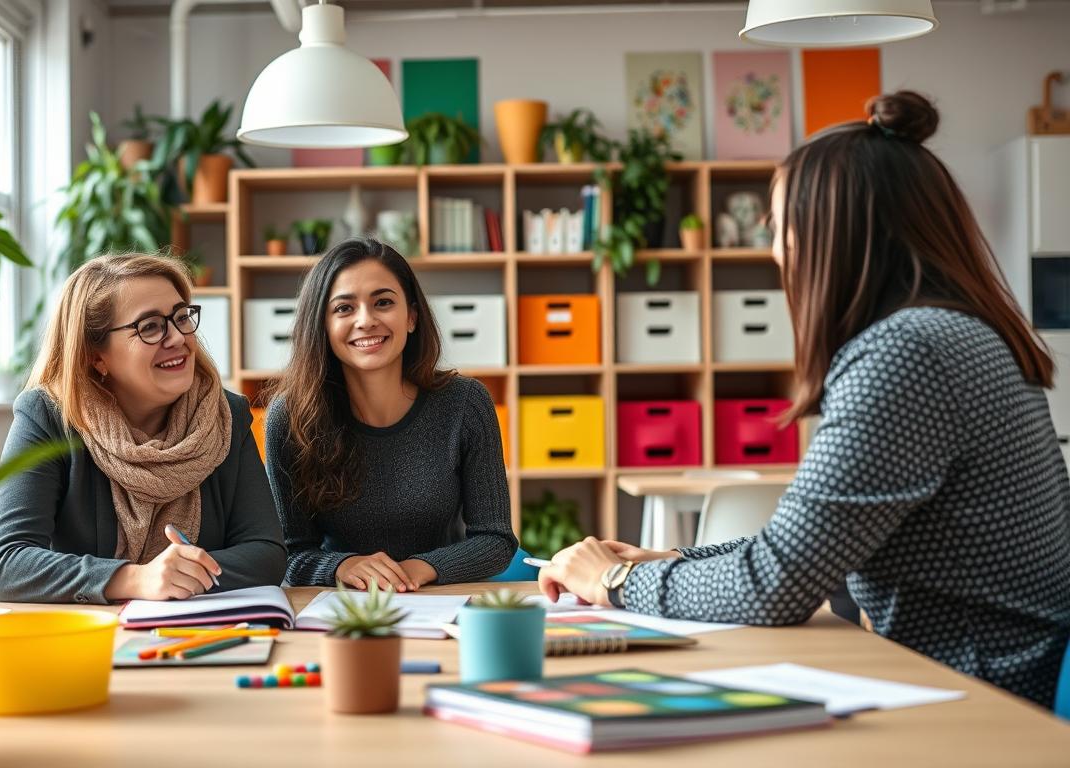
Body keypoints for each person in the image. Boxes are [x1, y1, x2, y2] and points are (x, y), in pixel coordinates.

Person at [538, 91, 1070, 708]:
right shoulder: (958, 332)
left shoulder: (908, 352)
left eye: (781, 228)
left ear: (833, 237)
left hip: (980, 702)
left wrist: (615, 579)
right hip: (992, 678)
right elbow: (811, 548)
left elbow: (775, 586)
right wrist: (668, 559)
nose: (775, 252)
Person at [0, 253, 286, 604]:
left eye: (181, 317)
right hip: (86, 639)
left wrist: (178, 576)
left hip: (196, 636)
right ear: (95, 356)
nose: (177, 338)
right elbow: (7, 562)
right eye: (151, 326)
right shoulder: (48, 416)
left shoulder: (227, 415)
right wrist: (135, 579)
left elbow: (267, 554)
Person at [265, 238, 516, 590]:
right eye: (344, 308)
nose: (366, 320)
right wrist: (344, 565)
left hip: (440, 598)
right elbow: (290, 554)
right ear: (322, 324)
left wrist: (417, 568)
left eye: (383, 302)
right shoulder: (290, 418)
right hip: (340, 607)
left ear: (411, 316)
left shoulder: (466, 403)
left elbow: (496, 540)